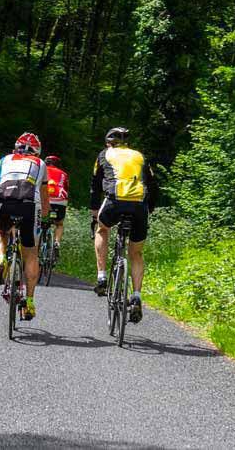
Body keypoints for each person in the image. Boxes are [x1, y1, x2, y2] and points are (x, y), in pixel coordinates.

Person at [90, 127, 156, 323]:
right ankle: (136, 296)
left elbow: (95, 185)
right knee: (136, 253)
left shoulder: (104, 155)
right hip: (139, 206)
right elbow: (152, 184)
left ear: (108, 142)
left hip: (114, 202)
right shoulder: (140, 156)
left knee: (102, 228)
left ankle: (102, 276)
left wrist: (94, 213)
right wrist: (149, 209)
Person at [0, 132, 50, 321]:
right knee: (31, 253)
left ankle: (1, 259)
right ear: (37, 151)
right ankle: (30, 302)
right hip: (29, 206)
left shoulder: (4, 160)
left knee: (0, 231)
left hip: (5, 203)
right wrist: (45, 217)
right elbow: (44, 195)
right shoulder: (41, 164)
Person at [43, 155, 70, 257]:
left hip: (44, 199)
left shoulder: (43, 170)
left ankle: (38, 243)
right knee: (59, 224)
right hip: (60, 200)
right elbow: (66, 188)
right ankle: (57, 242)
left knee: (38, 221)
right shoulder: (63, 174)